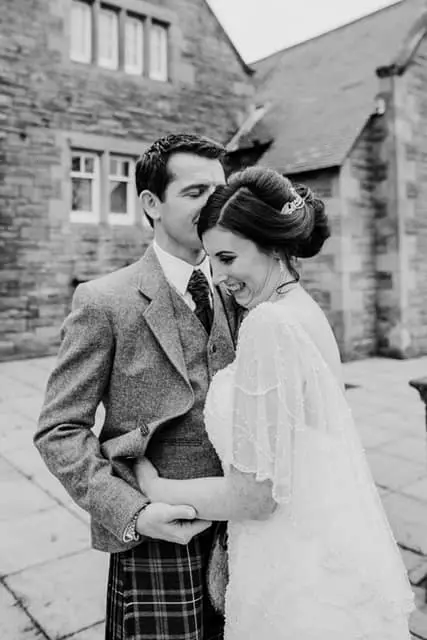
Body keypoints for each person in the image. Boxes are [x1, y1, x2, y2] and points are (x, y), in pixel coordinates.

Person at [135, 166, 415, 639]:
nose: (219, 277)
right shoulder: (304, 310)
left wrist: (154, 487)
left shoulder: (269, 325)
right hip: (323, 543)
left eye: (228, 258)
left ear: (272, 245)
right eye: (212, 261)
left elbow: (254, 496)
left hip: (289, 563)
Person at [34, 133, 242, 640]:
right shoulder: (104, 301)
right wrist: (135, 513)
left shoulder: (239, 290)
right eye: (195, 192)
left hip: (244, 524)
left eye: (219, 191)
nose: (214, 204)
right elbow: (60, 430)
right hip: (158, 536)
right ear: (151, 203)